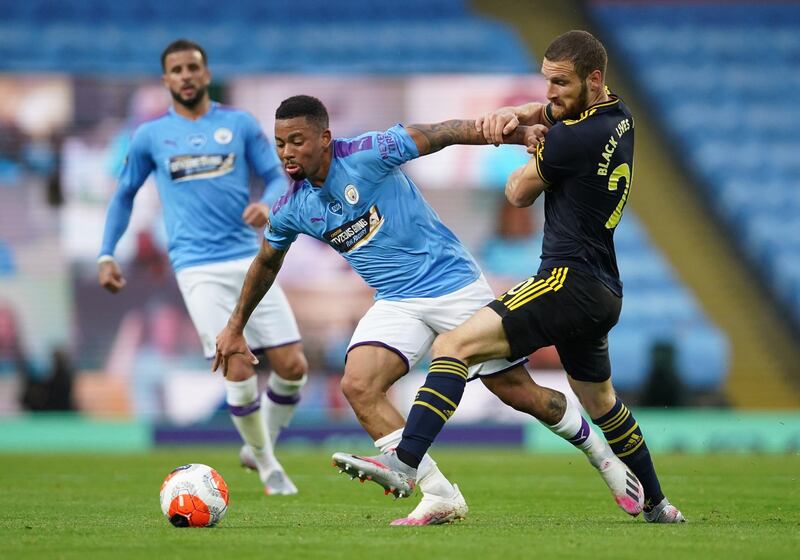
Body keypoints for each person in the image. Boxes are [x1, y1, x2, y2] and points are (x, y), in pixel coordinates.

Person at [214, 94, 645, 525]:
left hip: (452, 285)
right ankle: (439, 493)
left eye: (297, 140)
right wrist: (235, 328)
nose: (287, 152)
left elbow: (443, 133)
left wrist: (516, 136)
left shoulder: (369, 153)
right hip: (396, 301)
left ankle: (603, 457)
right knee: (358, 385)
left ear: (325, 138)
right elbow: (266, 262)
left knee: (522, 395)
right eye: (279, 143)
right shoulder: (292, 208)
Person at [336, 30, 685, 524]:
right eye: (547, 81)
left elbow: (518, 194)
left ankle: (404, 460)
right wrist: (521, 116)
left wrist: (530, 148)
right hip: (604, 289)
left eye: (561, 83)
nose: (550, 93)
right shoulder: (618, 117)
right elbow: (552, 114)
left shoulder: (570, 137)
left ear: (594, 78)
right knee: (602, 402)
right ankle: (657, 504)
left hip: (565, 280)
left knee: (453, 347)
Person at [98, 39, 308, 496]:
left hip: (249, 258)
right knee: (236, 363)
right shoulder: (151, 136)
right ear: (166, 80)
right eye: (176, 69)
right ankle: (271, 470)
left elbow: (277, 176)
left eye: (193, 67)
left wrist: (268, 204)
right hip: (197, 266)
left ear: (206, 73)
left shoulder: (237, 124)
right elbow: (123, 195)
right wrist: (107, 253)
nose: (186, 75)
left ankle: (260, 445)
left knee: (293, 366)